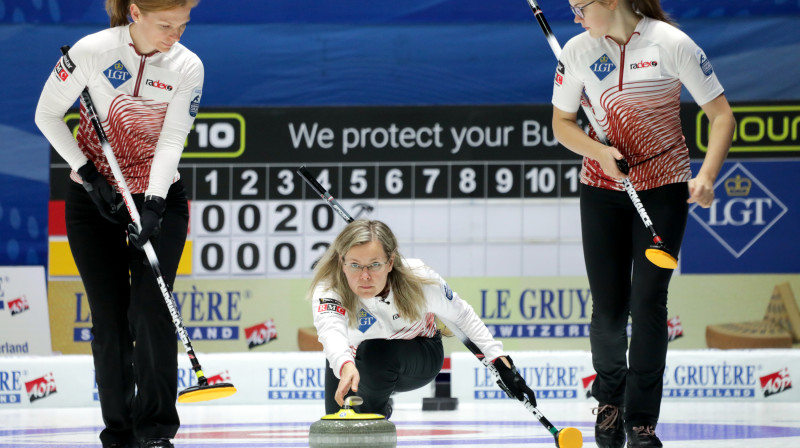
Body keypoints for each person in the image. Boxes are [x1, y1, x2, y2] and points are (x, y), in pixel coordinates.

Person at [551, 1, 735, 447]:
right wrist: (599, 152)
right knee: (609, 312)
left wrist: (707, 176)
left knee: (648, 302)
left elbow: (722, 116)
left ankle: (641, 421)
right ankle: (610, 402)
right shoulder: (577, 51)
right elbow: (562, 124)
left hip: (663, 188)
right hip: (602, 190)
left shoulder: (671, 43)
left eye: (580, 7)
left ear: (610, 1)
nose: (575, 18)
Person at [34, 1, 203, 447]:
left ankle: (156, 433)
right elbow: (46, 115)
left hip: (158, 199)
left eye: (183, 25)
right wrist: (89, 174)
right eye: (166, 25)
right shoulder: (93, 51)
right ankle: (120, 434)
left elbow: (172, 138)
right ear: (135, 13)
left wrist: (154, 203)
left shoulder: (188, 66)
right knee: (109, 320)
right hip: (94, 201)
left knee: (151, 310)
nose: (175, 36)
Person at [309, 219, 537, 418]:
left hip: (419, 355)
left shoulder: (418, 279)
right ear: (342, 262)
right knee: (336, 422)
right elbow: (331, 333)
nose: (365, 276)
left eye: (375, 265)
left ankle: (375, 417)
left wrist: (500, 362)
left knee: (375, 352)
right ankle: (372, 400)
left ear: (390, 262)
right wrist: (344, 364)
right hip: (354, 361)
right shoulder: (329, 288)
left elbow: (462, 316)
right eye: (355, 265)